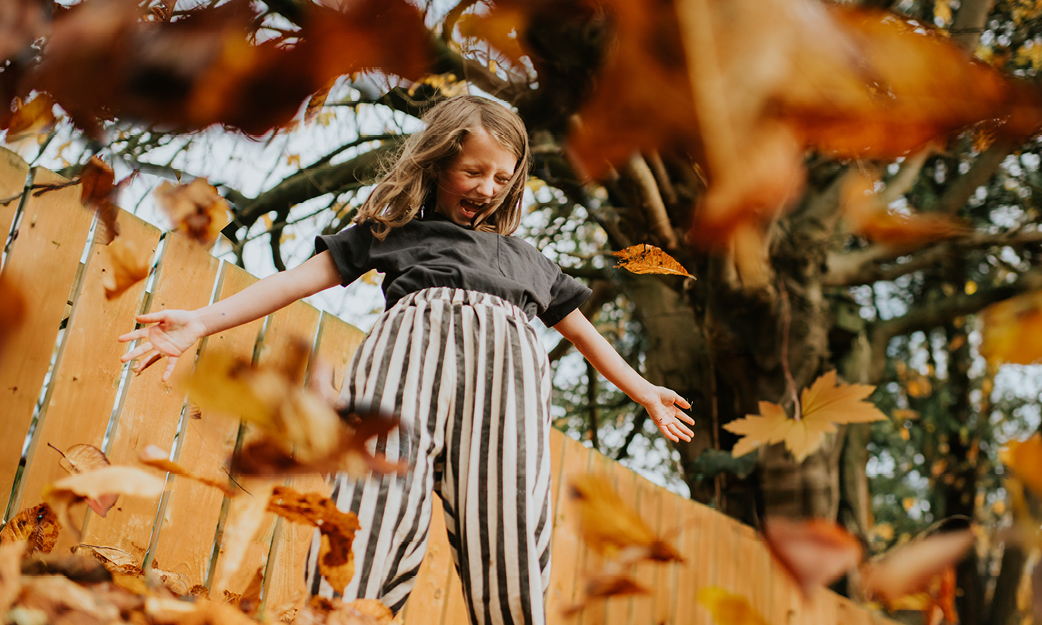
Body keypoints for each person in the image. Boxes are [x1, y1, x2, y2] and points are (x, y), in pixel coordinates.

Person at [119, 95, 694, 625]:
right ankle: (345, 613)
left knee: (510, 519)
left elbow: (585, 334)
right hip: (408, 365)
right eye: (473, 172)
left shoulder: (528, 261)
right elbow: (294, 282)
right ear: (438, 165)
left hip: (507, 389)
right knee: (374, 500)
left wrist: (643, 389)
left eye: (502, 177)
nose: (488, 188)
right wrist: (202, 321)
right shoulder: (392, 232)